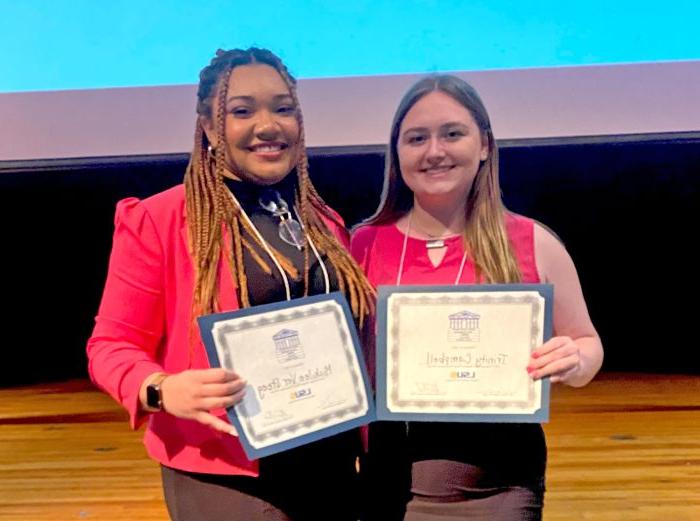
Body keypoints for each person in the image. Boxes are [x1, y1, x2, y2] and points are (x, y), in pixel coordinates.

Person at [87, 47, 375, 521]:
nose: (268, 125)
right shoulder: (162, 220)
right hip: (225, 473)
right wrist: (160, 388)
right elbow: (110, 345)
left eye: (283, 108)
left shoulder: (323, 220)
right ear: (207, 127)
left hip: (331, 461)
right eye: (242, 111)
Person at [351, 74, 604, 521]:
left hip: (499, 489)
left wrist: (575, 361)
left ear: (484, 144)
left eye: (452, 133)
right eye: (416, 138)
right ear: (397, 153)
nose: (434, 151)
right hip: (386, 488)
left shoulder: (532, 241)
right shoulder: (361, 246)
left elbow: (587, 343)